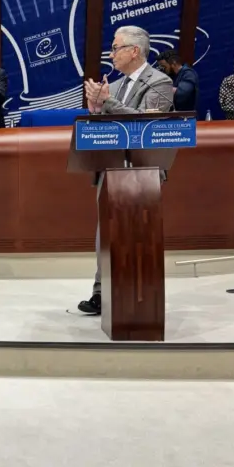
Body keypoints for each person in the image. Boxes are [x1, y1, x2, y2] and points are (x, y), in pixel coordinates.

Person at [78, 25, 174, 315]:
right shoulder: (117, 84)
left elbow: (145, 124)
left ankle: (137, 295)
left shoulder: (159, 82)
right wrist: (95, 108)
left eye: (115, 48)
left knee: (138, 235)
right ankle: (101, 291)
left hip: (143, 171)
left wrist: (107, 102)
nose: (111, 54)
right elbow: (108, 126)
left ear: (134, 51)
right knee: (105, 233)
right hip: (111, 169)